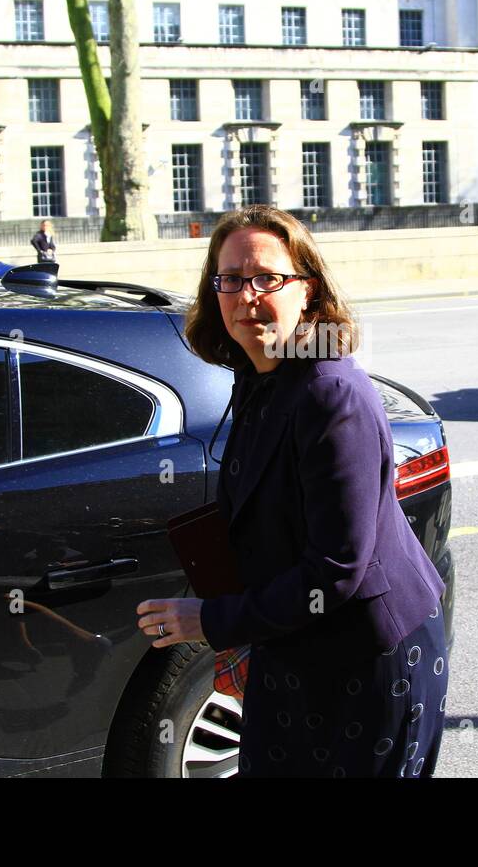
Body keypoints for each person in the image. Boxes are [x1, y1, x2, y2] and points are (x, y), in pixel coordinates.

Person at [135, 204, 449, 778]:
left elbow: (336, 569)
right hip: (297, 645)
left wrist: (213, 621)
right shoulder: (259, 375)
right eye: (230, 279)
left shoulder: (329, 391)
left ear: (308, 291)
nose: (246, 295)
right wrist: (245, 638)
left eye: (267, 278)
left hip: (366, 658)